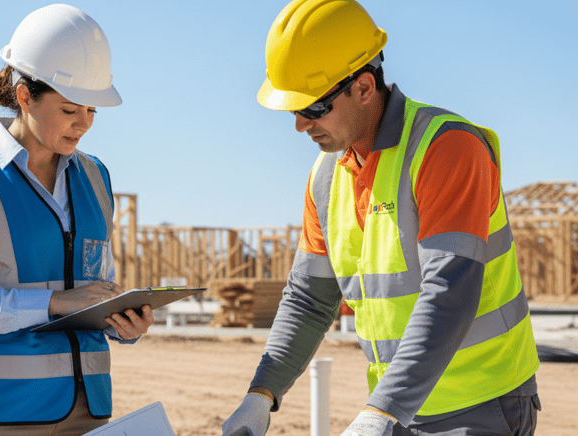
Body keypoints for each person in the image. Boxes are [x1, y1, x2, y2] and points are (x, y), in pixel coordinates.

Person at [221, 0, 540, 435]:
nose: (299, 125)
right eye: (292, 110)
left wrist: (383, 411)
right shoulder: (325, 178)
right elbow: (309, 300)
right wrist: (262, 393)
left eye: (313, 108)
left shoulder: (446, 148)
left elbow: (449, 292)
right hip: (399, 405)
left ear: (365, 87)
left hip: (479, 403)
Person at [0, 4, 154, 435]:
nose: (83, 124)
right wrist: (53, 304)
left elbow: (92, 287)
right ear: (25, 96)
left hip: (85, 412)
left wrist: (122, 322)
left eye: (92, 111)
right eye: (69, 110)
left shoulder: (95, 178)